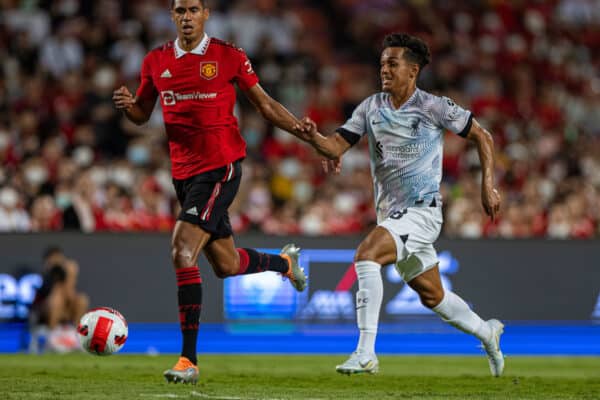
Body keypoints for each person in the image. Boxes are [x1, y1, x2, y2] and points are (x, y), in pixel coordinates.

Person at [112, 0, 307, 384]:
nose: (187, 17)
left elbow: (265, 105)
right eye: (180, 10)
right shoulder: (155, 61)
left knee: (182, 251)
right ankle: (285, 264)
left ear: (205, 15)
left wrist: (303, 132)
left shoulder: (228, 56)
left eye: (194, 9)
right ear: (172, 16)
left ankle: (188, 360)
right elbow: (142, 113)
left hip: (221, 166)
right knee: (226, 264)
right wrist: (128, 106)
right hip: (183, 176)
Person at [300, 33, 504, 377]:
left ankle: (365, 352)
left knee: (366, 255)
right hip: (392, 216)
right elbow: (335, 147)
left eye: (392, 64)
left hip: (422, 213)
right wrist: (312, 137)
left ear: (413, 71)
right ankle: (488, 333)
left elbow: (483, 136)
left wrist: (488, 186)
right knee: (433, 296)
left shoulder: (434, 106)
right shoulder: (370, 108)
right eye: (382, 64)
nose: (385, 70)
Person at [29, 246, 89, 352]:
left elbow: (70, 294)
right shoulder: (46, 272)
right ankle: (51, 338)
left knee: (82, 299)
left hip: (66, 307)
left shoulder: (68, 269)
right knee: (56, 300)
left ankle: (77, 336)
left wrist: (70, 274)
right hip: (46, 310)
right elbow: (50, 294)